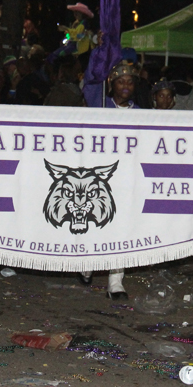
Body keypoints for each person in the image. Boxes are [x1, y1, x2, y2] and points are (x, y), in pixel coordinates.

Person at [79, 62, 140, 299]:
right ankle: (88, 264)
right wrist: (102, 53)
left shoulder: (141, 113)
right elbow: (90, 80)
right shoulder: (99, 104)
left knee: (121, 229)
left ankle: (116, 281)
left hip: (125, 177)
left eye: (130, 81)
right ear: (111, 84)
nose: (125, 86)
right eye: (120, 81)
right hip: (96, 176)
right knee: (94, 220)